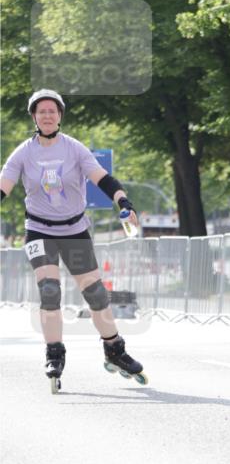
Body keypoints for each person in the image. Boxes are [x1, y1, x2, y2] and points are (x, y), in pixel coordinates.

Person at [0, 89, 147, 391]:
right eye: (41, 111)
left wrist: (124, 202)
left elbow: (103, 179)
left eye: (52, 110)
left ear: (60, 115)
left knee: (95, 294)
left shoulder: (74, 149)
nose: (47, 115)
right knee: (50, 290)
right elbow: (4, 185)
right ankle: (54, 354)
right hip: (40, 230)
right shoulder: (24, 152)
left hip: (75, 231)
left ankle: (114, 350)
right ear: (34, 117)